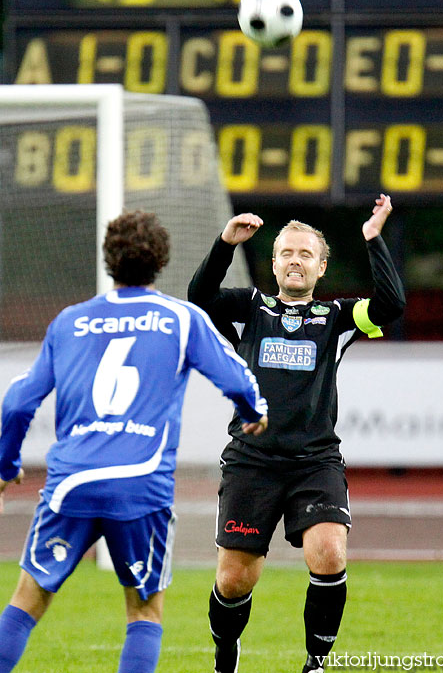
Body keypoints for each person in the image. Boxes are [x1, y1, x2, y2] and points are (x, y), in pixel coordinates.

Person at [0, 210, 268, 673]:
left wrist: (5, 467)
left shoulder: (70, 321)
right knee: (143, 612)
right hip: (141, 486)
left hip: (71, 482)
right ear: (161, 261)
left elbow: (18, 403)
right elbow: (236, 378)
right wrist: (253, 412)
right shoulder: (180, 318)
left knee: (27, 601)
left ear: (109, 260)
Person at [188, 194, 406, 673]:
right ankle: (226, 650)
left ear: (321, 267)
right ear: (273, 262)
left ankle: (315, 662)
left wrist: (373, 239)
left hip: (315, 462)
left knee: (328, 553)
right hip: (251, 461)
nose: (295, 260)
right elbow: (199, 298)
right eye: (287, 252)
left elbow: (391, 304)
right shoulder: (250, 308)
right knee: (234, 581)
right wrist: (225, 245)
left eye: (306, 254)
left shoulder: (339, 320)